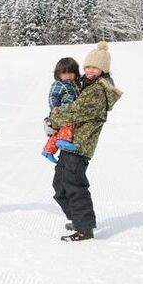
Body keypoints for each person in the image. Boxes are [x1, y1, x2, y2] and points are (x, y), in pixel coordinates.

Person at [49, 42, 123, 241]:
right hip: (70, 142)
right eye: (87, 67)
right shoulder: (86, 84)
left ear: (103, 70)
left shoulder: (97, 91)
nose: (90, 70)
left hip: (80, 145)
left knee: (74, 186)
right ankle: (79, 219)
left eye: (95, 68)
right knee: (59, 186)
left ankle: (85, 229)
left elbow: (75, 112)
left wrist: (52, 121)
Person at [41, 58, 81, 164]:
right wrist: (54, 107)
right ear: (58, 74)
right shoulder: (58, 84)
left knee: (57, 132)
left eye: (71, 73)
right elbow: (53, 96)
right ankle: (63, 140)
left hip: (68, 110)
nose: (68, 76)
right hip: (60, 111)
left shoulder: (75, 84)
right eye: (64, 73)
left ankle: (48, 150)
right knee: (69, 122)